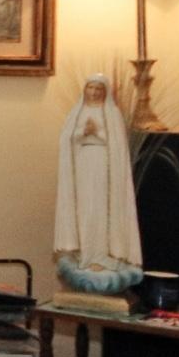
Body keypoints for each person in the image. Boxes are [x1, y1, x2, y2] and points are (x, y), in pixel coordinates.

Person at [53, 73, 144, 296]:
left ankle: (103, 255)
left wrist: (98, 133)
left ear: (105, 92)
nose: (93, 93)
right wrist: (82, 133)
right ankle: (85, 255)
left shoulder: (112, 114)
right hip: (83, 168)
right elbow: (67, 139)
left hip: (104, 171)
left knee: (100, 212)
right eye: (90, 88)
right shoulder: (77, 113)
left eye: (98, 89)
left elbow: (117, 144)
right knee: (85, 211)